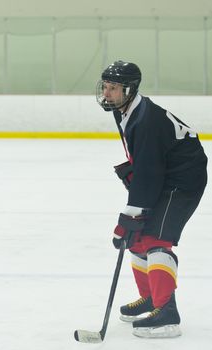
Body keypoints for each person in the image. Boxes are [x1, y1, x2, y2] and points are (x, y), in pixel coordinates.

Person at [96, 60, 207, 338]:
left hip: (182, 182)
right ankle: (151, 299)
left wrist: (130, 216)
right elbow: (145, 162)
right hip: (165, 173)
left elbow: (149, 173)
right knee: (138, 238)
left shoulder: (146, 119)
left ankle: (167, 315)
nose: (106, 93)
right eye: (105, 87)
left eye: (113, 88)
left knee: (157, 239)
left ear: (130, 90)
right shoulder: (125, 110)